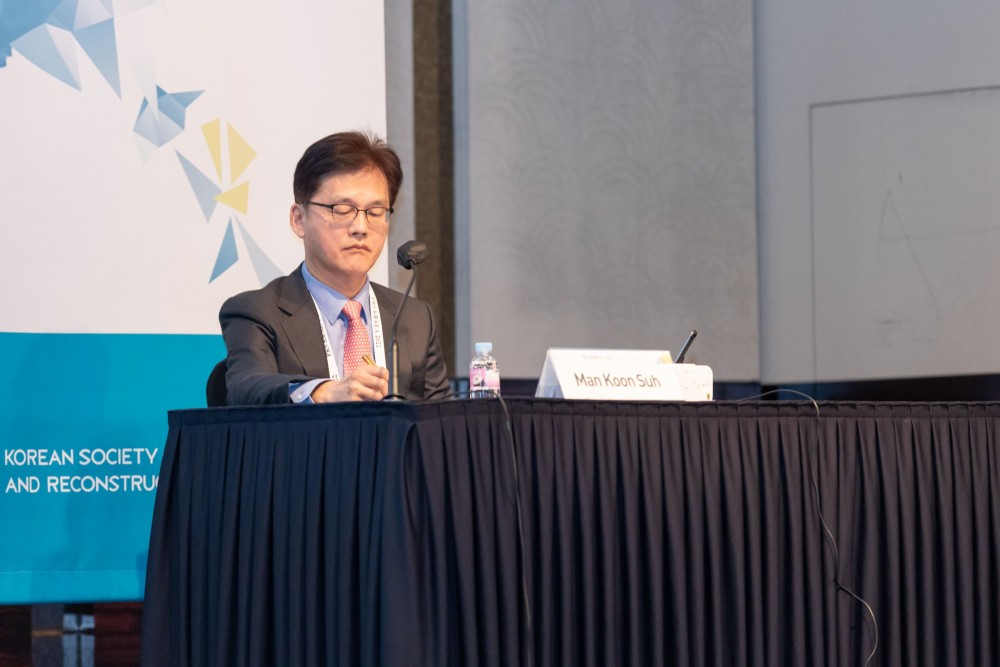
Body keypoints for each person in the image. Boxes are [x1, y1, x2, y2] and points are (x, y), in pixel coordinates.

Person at [219, 131, 450, 405]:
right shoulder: (257, 312)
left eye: (375, 212)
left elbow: (442, 419)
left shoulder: (414, 318)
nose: (360, 228)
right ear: (299, 219)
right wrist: (324, 392)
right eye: (342, 209)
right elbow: (246, 387)